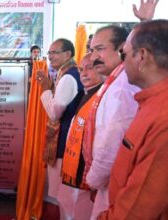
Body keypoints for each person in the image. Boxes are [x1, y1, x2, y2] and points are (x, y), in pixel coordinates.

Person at [83, 1, 158, 218]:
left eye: (100, 49)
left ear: (123, 50)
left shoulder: (124, 82)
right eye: (91, 50)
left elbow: (112, 138)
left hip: (115, 182)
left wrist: (93, 180)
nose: (93, 56)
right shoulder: (114, 80)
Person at [99, 18, 168, 220]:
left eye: (124, 53)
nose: (122, 60)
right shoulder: (152, 102)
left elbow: (136, 211)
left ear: (142, 56)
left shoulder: (162, 118)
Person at [36, 38, 84, 219]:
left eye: (54, 52)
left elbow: (55, 112)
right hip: (69, 140)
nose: (50, 56)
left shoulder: (69, 77)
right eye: (49, 53)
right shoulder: (68, 73)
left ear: (68, 54)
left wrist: (45, 90)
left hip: (65, 143)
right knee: (67, 197)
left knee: (65, 198)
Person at [60, 53, 105, 220]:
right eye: (80, 69)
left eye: (89, 68)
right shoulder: (88, 93)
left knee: (81, 212)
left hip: (89, 173)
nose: (84, 73)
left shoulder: (102, 95)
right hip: (78, 167)